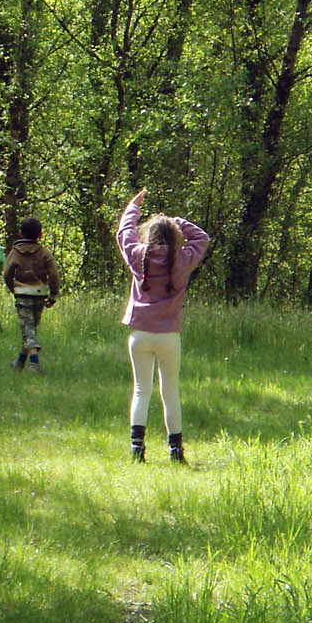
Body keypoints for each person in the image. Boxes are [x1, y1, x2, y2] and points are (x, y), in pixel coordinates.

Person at [116, 188, 210, 464]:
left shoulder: (138, 255)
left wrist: (133, 206)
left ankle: (137, 448)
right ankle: (175, 451)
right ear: (173, 237)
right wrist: (176, 221)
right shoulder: (181, 259)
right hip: (169, 335)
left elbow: (124, 232)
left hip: (140, 334)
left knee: (140, 390)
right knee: (170, 391)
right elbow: (202, 238)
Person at [3, 216, 60, 373]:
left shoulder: (15, 253)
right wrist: (53, 293)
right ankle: (19, 362)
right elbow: (54, 274)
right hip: (40, 294)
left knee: (28, 330)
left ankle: (34, 364)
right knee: (30, 329)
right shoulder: (44, 253)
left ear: (20, 233)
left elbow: (7, 274)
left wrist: (13, 288)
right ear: (40, 234)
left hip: (22, 294)